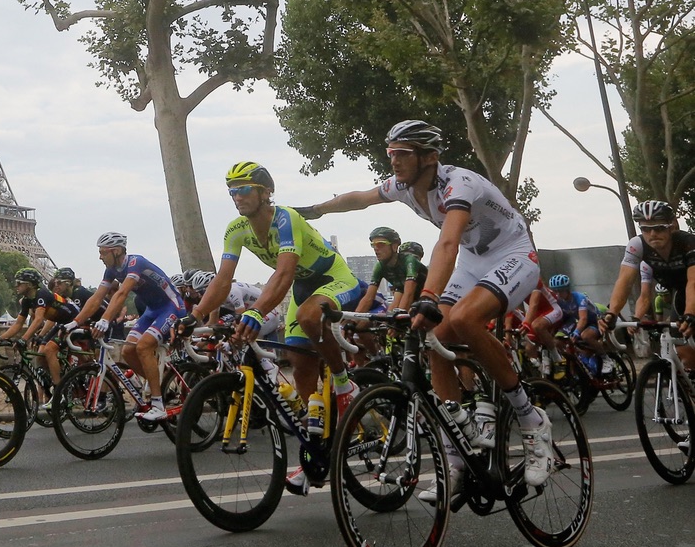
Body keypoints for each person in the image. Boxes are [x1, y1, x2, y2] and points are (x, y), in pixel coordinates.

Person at [297, 120, 552, 493]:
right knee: (433, 336)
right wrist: (315, 209)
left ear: (429, 157)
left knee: (464, 318)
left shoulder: (458, 184)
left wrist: (429, 297)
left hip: (512, 253)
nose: (394, 161)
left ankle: (531, 419)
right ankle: (456, 462)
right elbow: (359, 198)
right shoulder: (402, 186)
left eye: (403, 153)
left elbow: (447, 243)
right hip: (473, 260)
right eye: (391, 153)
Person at [188, 161, 361, 494]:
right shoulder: (236, 229)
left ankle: (344, 384)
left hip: (334, 277)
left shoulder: (286, 219)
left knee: (309, 317)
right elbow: (222, 281)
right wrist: (193, 316)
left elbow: (283, 273)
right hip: (304, 288)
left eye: (243, 189)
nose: (237, 197)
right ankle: (316, 453)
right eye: (232, 191)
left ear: (266, 192)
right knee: (299, 361)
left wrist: (256, 311)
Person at [71, 232, 181, 423]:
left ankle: (158, 405)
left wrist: (105, 320)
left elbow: (121, 293)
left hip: (171, 306)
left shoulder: (135, 263)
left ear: (116, 251)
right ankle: (160, 384)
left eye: (103, 252)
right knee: (128, 351)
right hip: (152, 310)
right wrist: (74, 322)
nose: (100, 257)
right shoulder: (111, 271)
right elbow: (96, 298)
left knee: (143, 346)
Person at [601, 200, 695, 378]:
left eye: (659, 228)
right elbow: (625, 281)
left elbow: (693, 283)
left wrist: (690, 313)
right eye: (645, 229)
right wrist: (612, 313)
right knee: (683, 349)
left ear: (671, 226)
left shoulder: (688, 243)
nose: (652, 234)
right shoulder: (637, 245)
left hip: (693, 288)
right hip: (681, 294)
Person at [0, 268, 56, 346]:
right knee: (40, 351)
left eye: (19, 283)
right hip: (57, 321)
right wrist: (0, 339)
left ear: (29, 285)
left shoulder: (41, 294)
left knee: (49, 349)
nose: (16, 286)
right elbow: (18, 324)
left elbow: (39, 319)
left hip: (67, 320)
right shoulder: (26, 300)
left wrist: (24, 339)